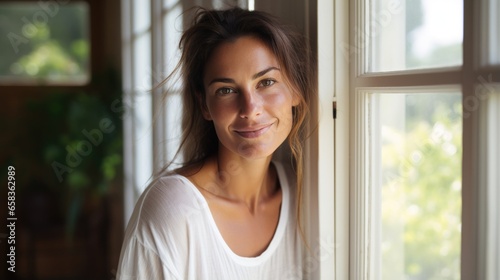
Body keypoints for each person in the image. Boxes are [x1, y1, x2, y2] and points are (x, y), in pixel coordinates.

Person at [116, 6, 315, 280]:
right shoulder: (172, 210)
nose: (250, 108)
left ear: (295, 89)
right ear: (205, 105)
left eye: (266, 82)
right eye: (226, 90)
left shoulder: (310, 198)